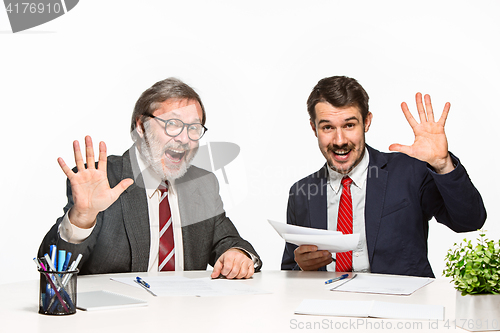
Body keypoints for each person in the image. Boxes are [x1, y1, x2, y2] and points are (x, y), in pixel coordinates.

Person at [39, 78, 261, 279]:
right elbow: (53, 267)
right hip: (114, 321)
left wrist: (236, 254)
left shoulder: (202, 183)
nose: (184, 139)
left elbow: (227, 240)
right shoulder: (101, 180)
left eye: (194, 128)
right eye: (172, 124)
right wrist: (81, 217)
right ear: (141, 126)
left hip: (189, 316)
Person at [281, 76, 486, 277]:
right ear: (314, 128)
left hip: (401, 306)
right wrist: (302, 268)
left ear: (367, 122)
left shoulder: (409, 172)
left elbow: (469, 221)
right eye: (328, 127)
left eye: (349, 125)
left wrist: (442, 164)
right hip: (329, 305)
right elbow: (289, 272)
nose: (340, 140)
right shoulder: (301, 192)